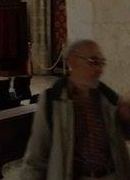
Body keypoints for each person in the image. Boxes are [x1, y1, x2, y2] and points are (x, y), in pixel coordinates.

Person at [19, 39, 130, 180]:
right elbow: (36, 157)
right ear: (72, 62)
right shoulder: (52, 101)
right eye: (93, 61)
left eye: (102, 63)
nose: (100, 70)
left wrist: (127, 118)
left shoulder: (108, 99)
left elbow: (124, 135)